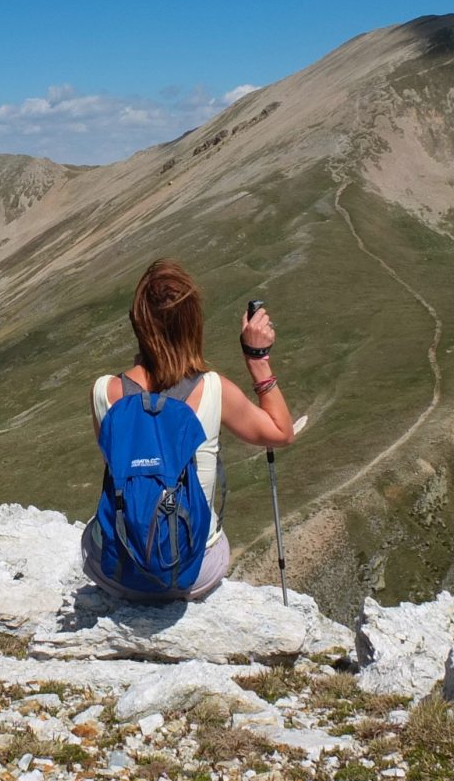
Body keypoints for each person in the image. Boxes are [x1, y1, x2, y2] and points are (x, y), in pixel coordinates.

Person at [84, 258, 296, 601]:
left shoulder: (104, 392)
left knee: (93, 534)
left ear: (137, 322)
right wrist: (257, 359)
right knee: (214, 540)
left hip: (120, 572)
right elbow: (281, 433)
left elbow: (118, 463)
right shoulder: (214, 389)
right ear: (193, 324)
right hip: (192, 572)